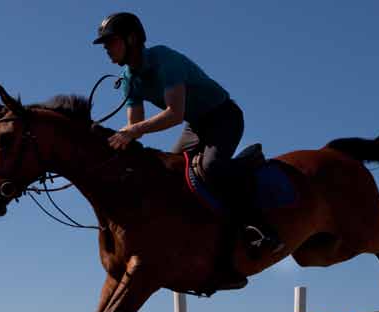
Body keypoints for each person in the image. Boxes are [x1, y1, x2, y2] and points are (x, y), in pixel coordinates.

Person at [92, 12, 282, 257]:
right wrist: (106, 141)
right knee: (170, 176)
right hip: (196, 125)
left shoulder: (164, 61)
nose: (106, 48)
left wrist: (133, 131)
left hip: (224, 117)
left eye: (111, 41)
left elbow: (174, 114)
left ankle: (261, 228)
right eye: (105, 44)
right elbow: (134, 126)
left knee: (212, 168)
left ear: (132, 39)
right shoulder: (129, 78)